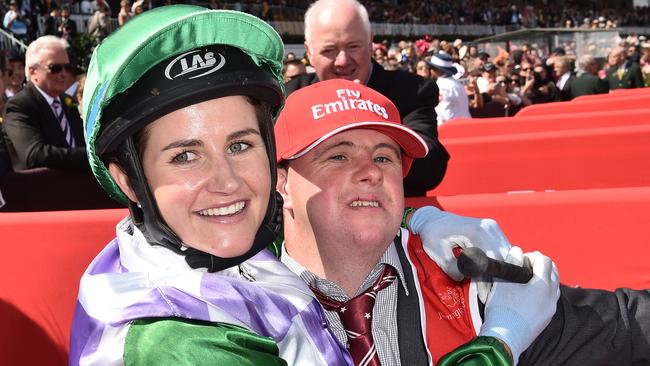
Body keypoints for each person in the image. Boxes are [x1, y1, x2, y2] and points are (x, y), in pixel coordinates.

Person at [275, 79, 650, 366]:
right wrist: (500, 341)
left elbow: (631, 326)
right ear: (281, 183)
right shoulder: (236, 308)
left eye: (385, 158)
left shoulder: (472, 283)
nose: (371, 172)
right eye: (338, 156)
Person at [69, 6, 351, 365]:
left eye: (239, 146)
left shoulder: (197, 238)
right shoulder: (178, 346)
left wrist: (416, 226)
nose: (228, 182)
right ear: (130, 182)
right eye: (185, 156)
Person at [284, 0, 450, 197]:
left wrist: (360, 114)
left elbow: (430, 168)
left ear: (370, 43)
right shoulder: (287, 97)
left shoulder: (411, 90)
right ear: (309, 51)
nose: (342, 61)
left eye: (353, 46)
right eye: (329, 50)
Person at [1, 35, 87, 172]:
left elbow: (80, 142)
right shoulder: (19, 105)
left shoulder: (67, 101)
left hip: (80, 187)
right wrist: (91, 156)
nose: (63, 74)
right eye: (55, 68)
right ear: (32, 71)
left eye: (68, 67)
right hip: (42, 190)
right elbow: (34, 155)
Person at [426, 52, 471, 124]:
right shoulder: (457, 83)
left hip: (452, 129)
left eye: (431, 68)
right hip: (465, 124)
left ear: (436, 70)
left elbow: (443, 113)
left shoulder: (441, 86)